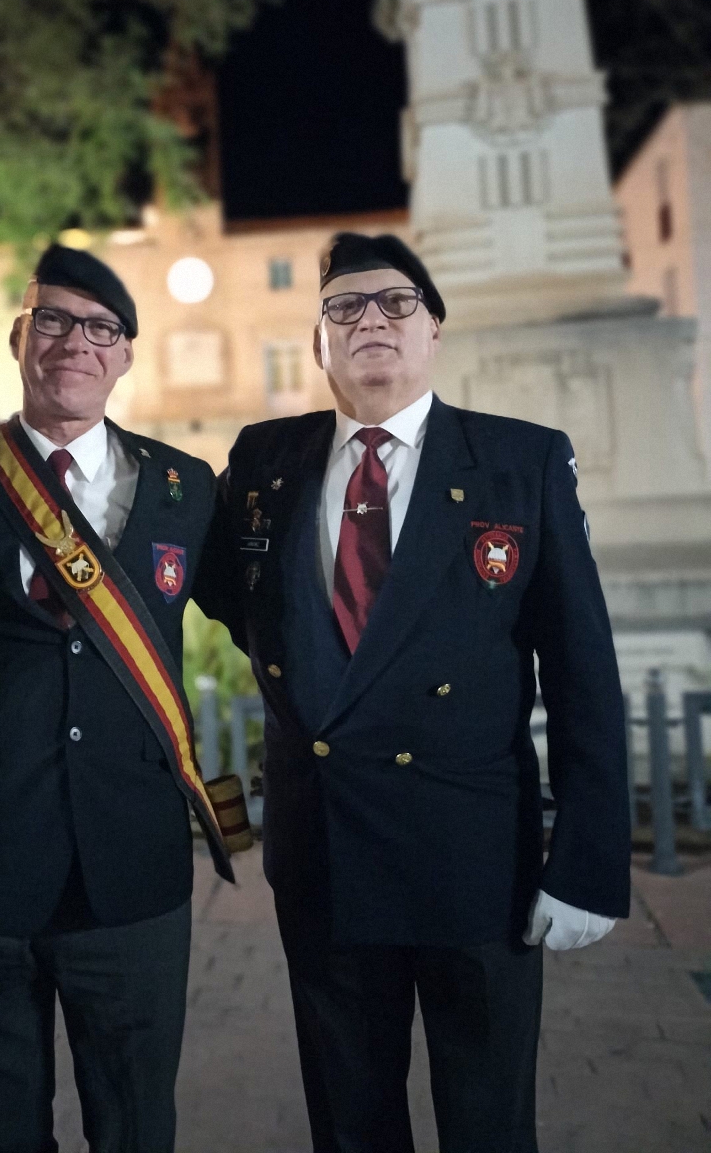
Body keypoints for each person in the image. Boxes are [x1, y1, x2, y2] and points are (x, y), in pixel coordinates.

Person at [193, 232, 631, 1153]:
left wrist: (588, 860)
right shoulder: (264, 461)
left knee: (488, 1123)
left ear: (434, 332)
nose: (370, 320)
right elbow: (236, 602)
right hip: (326, 855)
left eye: (396, 303)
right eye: (344, 306)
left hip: (475, 858)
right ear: (318, 344)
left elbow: (583, 672)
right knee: (350, 1125)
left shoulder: (522, 461)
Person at [0, 243, 233, 1153]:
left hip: (133, 874)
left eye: (100, 328)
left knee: (134, 1127)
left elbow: (273, 627)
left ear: (125, 355)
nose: (73, 342)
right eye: (52, 319)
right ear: (19, 337)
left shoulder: (187, 490)